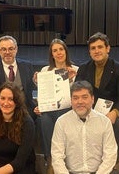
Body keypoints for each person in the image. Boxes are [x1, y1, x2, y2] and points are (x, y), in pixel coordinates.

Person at [75, 32, 119, 167]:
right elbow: (76, 92)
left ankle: (111, 165)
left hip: (112, 112)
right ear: (89, 52)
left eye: (100, 47)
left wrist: (114, 113)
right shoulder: (83, 68)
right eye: (93, 48)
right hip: (89, 111)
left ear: (108, 48)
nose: (97, 51)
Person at [33, 38, 78, 174]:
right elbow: (44, 95)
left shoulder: (75, 70)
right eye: (55, 50)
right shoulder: (45, 70)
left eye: (61, 49)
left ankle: (63, 159)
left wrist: (71, 80)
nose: (58, 53)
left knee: (59, 116)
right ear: (51, 54)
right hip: (49, 110)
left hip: (68, 109)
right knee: (44, 119)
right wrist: (39, 104)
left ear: (66, 51)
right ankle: (51, 160)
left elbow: (79, 95)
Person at [51, 80, 117, 173]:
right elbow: (57, 157)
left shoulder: (104, 122)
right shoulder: (61, 122)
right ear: (71, 100)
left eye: (84, 97)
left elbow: (110, 155)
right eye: (75, 98)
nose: (80, 102)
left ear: (92, 99)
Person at [0, 35, 36, 120]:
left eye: (11, 49)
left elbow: (33, 87)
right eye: (4, 49)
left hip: (26, 113)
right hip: (1, 113)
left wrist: (37, 82)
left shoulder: (27, 66)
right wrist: (4, 108)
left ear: (16, 49)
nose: (7, 52)